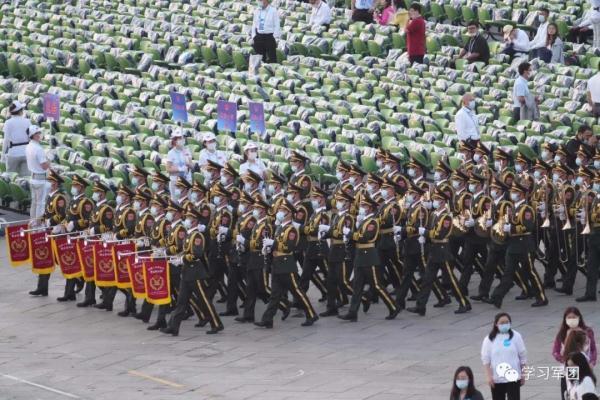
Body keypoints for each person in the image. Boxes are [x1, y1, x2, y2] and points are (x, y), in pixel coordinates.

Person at [481, 313, 527, 400]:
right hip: (497, 378)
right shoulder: (489, 339)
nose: (505, 324)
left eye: (507, 322)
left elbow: (523, 356)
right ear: (496, 324)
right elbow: (486, 359)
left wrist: (524, 374)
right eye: (502, 323)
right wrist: (489, 376)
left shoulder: (516, 336)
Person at [25, 125, 50, 224]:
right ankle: (38, 228)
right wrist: (50, 159)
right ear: (34, 135)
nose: (40, 134)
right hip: (40, 179)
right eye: (38, 133)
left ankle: (32, 224)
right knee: (40, 204)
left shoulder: (29, 146)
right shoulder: (38, 148)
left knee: (34, 203)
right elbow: (44, 166)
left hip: (33, 178)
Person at [2, 100, 31, 176]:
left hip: (13, 153)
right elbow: (30, 138)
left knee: (11, 178)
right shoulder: (27, 121)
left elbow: (6, 140)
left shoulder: (8, 122)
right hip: (25, 152)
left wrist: (2, 155)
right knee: (25, 178)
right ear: (20, 111)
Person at [166, 130, 193, 199]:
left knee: (188, 202)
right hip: (175, 181)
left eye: (183, 138)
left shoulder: (187, 150)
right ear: (175, 141)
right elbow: (168, 169)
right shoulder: (171, 153)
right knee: (176, 203)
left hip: (187, 181)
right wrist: (180, 169)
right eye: (179, 138)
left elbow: (192, 166)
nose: (182, 140)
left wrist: (188, 164)